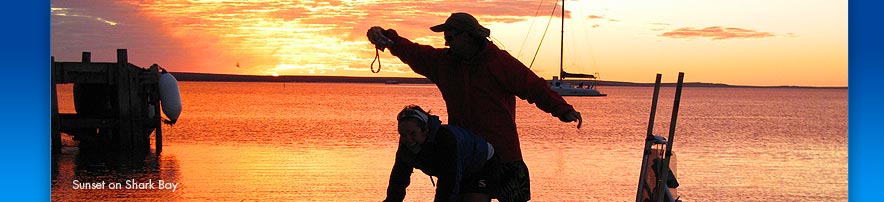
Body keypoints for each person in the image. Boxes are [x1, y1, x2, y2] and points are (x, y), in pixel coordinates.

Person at [368, 12, 584, 201]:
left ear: (468, 36)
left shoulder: (498, 61)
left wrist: (562, 109)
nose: (447, 42)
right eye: (445, 37)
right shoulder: (443, 62)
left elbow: (533, 86)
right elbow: (414, 52)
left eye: (451, 36)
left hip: (504, 154)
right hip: (469, 155)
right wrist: (387, 39)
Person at [385, 105, 498, 202]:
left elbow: (449, 181)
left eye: (412, 133)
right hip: (457, 169)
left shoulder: (446, 140)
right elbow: (398, 179)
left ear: (425, 129)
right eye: (403, 134)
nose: (408, 139)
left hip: (481, 164)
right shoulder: (405, 146)